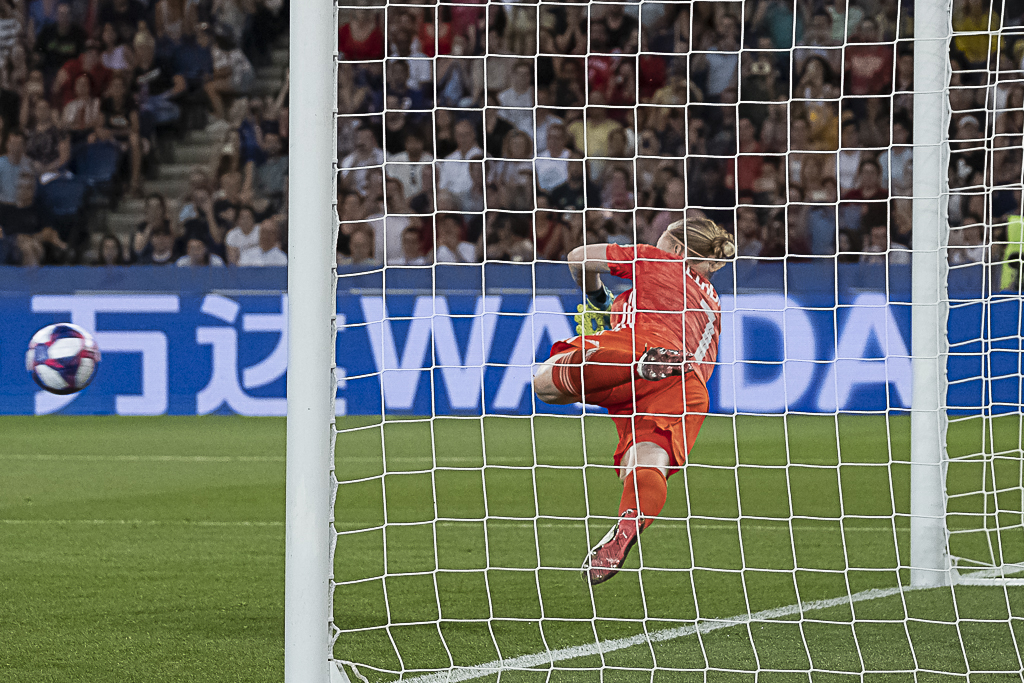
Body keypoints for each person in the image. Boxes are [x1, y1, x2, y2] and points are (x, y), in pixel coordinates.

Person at [532, 216, 736, 585]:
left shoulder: (656, 259)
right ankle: (628, 523)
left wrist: (595, 297)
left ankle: (637, 365)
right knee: (647, 463)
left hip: (642, 348)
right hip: (687, 385)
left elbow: (578, 258)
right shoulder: (711, 300)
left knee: (546, 382)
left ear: (675, 246)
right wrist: (612, 311)